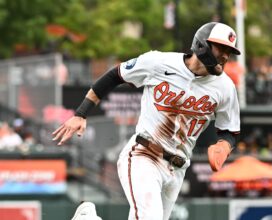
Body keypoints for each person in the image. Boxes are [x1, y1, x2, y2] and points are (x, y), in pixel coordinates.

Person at [52, 22, 241, 220]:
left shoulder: (225, 87)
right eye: (222, 48)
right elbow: (115, 75)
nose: (226, 56)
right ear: (202, 43)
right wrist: (81, 113)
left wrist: (225, 145)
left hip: (178, 168)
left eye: (230, 51)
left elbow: (231, 130)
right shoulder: (159, 63)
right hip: (145, 153)